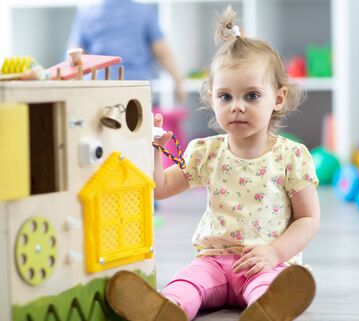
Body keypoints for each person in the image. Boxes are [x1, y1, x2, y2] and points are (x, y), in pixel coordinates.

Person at [106, 6, 320, 321]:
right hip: (213, 262)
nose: (236, 107)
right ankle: (168, 309)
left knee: (271, 287)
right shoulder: (206, 152)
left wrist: (275, 252)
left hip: (264, 262)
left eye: (251, 96)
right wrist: (154, 151)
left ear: (278, 98)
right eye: (225, 97)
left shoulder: (291, 156)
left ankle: (266, 310)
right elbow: (161, 188)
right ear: (211, 98)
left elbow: (308, 219)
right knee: (187, 283)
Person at [68, 0, 186, 102]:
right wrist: (178, 81)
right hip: (136, 88)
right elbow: (161, 52)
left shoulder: (86, 14)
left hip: (97, 88)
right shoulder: (144, 12)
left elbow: (75, 57)